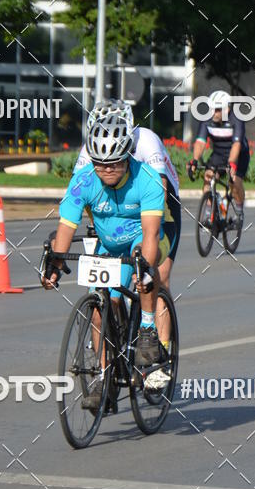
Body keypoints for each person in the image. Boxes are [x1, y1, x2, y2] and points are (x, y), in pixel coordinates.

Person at [42, 112, 175, 409]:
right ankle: (103, 377)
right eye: (101, 163)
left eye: (114, 162)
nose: (107, 169)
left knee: (145, 267)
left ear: (127, 154)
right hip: (108, 244)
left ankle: (148, 329)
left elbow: (152, 236)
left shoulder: (149, 179)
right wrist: (55, 264)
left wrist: (144, 265)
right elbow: (67, 226)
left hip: (145, 237)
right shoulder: (84, 180)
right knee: (102, 305)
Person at [75, 101, 181, 343]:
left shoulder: (146, 140)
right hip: (118, 208)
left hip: (161, 204)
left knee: (157, 274)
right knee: (104, 276)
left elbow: (161, 191)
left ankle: (158, 343)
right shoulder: (92, 146)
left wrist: (145, 248)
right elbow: (79, 193)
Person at [187, 90, 250, 220]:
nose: (213, 112)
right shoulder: (207, 119)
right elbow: (200, 142)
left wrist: (232, 163)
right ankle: (209, 212)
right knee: (208, 177)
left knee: (235, 182)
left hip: (238, 154)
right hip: (219, 153)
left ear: (226, 109)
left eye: (217, 109)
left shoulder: (236, 119)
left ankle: (239, 211)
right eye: (211, 108)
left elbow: (236, 145)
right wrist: (194, 160)